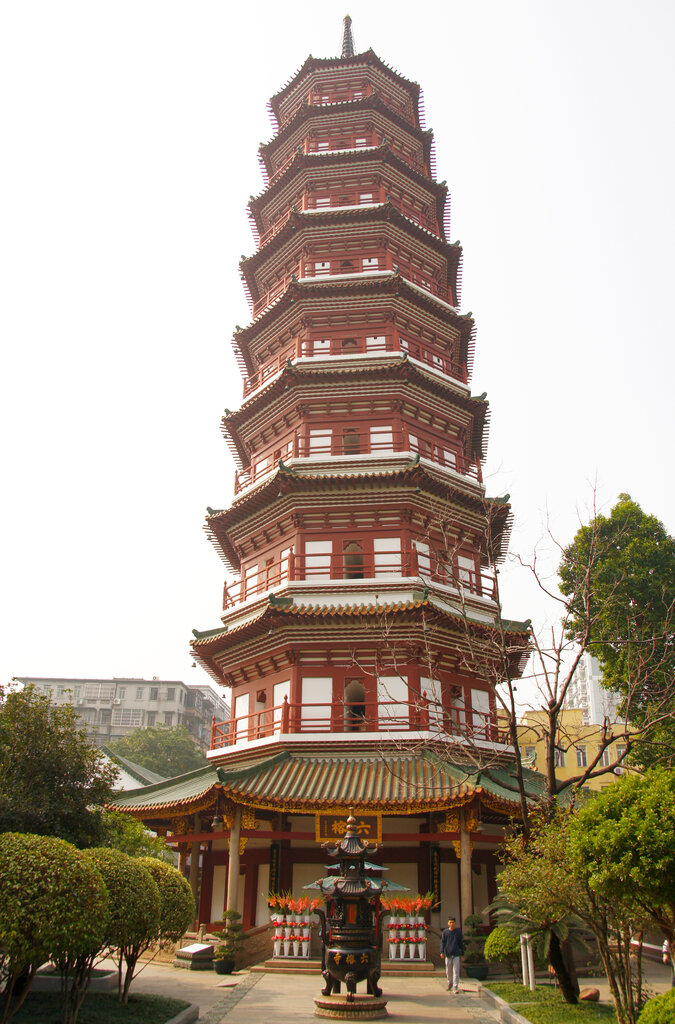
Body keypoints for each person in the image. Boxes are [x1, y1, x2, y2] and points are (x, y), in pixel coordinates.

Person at [441, 916, 465, 993]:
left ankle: (455, 986)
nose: (451, 924)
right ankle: (449, 983)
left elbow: (460, 943)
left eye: (453, 922)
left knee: (456, 971)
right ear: (448, 923)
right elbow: (443, 942)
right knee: (448, 971)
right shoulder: (445, 932)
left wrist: (462, 953)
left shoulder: (458, 932)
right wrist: (442, 952)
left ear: (455, 923)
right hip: (448, 954)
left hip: (456, 954)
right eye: (450, 922)